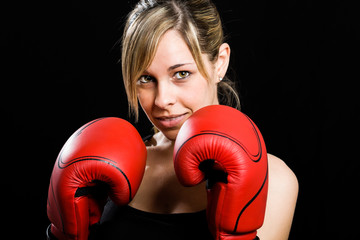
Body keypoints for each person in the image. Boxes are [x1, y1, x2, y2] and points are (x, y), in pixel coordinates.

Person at [47, 0, 298, 239]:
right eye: (146, 78)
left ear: (219, 63)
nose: (161, 100)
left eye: (181, 74)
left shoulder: (273, 181)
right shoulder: (101, 169)